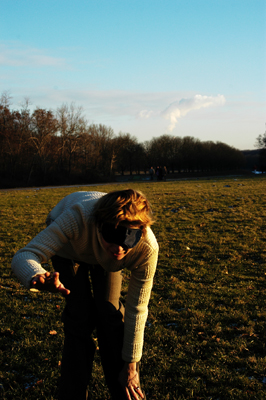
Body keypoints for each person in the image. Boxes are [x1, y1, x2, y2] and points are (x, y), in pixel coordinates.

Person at [11, 189, 158, 400]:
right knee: (80, 315)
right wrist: (37, 275)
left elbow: (137, 309)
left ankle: (123, 389)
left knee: (109, 312)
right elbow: (25, 254)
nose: (119, 248)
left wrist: (131, 365)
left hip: (102, 257)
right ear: (98, 224)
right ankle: (72, 394)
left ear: (141, 231)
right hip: (69, 248)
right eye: (112, 233)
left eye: (129, 236)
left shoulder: (146, 248)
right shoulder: (78, 217)